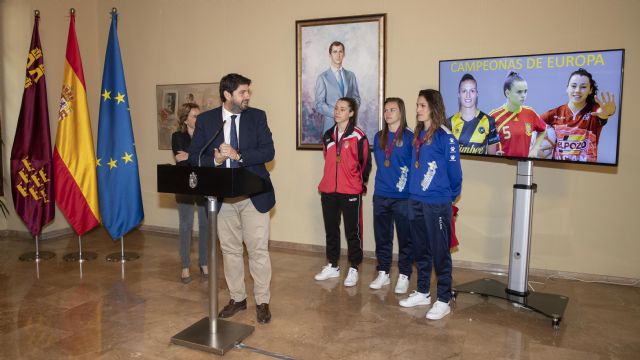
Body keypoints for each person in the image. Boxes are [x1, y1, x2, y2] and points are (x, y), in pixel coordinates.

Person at [188, 73, 275, 324]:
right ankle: (238, 298)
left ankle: (262, 301)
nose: (247, 96)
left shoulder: (257, 117)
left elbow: (268, 152)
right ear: (227, 95)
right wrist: (214, 160)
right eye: (242, 92)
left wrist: (238, 155)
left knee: (258, 251)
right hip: (222, 200)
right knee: (230, 250)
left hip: (254, 195)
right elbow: (195, 157)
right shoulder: (207, 121)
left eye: (248, 92)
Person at [400, 89, 462, 321]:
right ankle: (423, 291)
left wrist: (446, 198)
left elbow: (456, 175)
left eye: (422, 106)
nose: (417, 110)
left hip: (437, 204)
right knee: (421, 250)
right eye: (417, 105)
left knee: (440, 253)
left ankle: (444, 299)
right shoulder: (418, 135)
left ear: (434, 108)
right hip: (415, 200)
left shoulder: (446, 137)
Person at [315, 97, 371, 287]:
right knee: (331, 230)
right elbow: (328, 158)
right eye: (336, 108)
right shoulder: (328, 135)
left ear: (351, 113)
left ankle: (354, 267)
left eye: (343, 109)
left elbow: (365, 163)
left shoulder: (358, 136)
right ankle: (332, 265)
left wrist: (357, 183)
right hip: (328, 190)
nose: (338, 112)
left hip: (350, 191)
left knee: (352, 232)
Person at [369, 98, 414, 294]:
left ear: (401, 113)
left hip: (403, 196)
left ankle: (404, 274)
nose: (388, 113)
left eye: (393, 110)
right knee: (382, 237)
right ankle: (384, 272)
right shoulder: (378, 136)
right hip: (381, 194)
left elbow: (414, 168)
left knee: (405, 238)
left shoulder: (411, 138)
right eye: (386, 110)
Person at [540, 68, 616, 162]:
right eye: (573, 86)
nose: (577, 90)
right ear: (567, 88)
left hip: (587, 171)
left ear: (590, 90)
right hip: (559, 169)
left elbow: (603, 113)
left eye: (583, 87)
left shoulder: (594, 111)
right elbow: (532, 125)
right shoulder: (553, 114)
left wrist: (608, 112)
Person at [172, 103, 208, 284]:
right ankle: (185, 266)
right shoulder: (177, 137)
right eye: (195, 116)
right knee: (185, 225)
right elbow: (180, 161)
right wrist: (197, 156)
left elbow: (204, 159)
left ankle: (204, 262)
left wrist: (191, 156)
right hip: (184, 185)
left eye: (199, 116)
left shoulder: (205, 136)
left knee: (205, 225)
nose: (198, 119)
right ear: (186, 120)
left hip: (203, 184)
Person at [489, 71, 553, 158]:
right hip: (502, 166)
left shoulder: (530, 113)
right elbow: (483, 141)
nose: (523, 95)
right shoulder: (494, 116)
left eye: (525, 91)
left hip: (523, 165)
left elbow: (543, 130)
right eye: (519, 92)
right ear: (507, 93)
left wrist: (534, 149)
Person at [315, 41, 361, 133]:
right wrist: (338, 113)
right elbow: (319, 104)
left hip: (349, 127)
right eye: (335, 52)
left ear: (344, 54)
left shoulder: (351, 76)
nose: (338, 55)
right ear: (330, 55)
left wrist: (348, 113)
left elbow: (356, 99)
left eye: (340, 51)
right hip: (330, 127)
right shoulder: (322, 78)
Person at [448, 74, 500, 155]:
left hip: (481, 168)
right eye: (464, 91)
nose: (468, 95)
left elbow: (493, 159)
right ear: (459, 94)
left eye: (472, 91)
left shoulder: (489, 121)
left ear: (477, 94)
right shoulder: (449, 122)